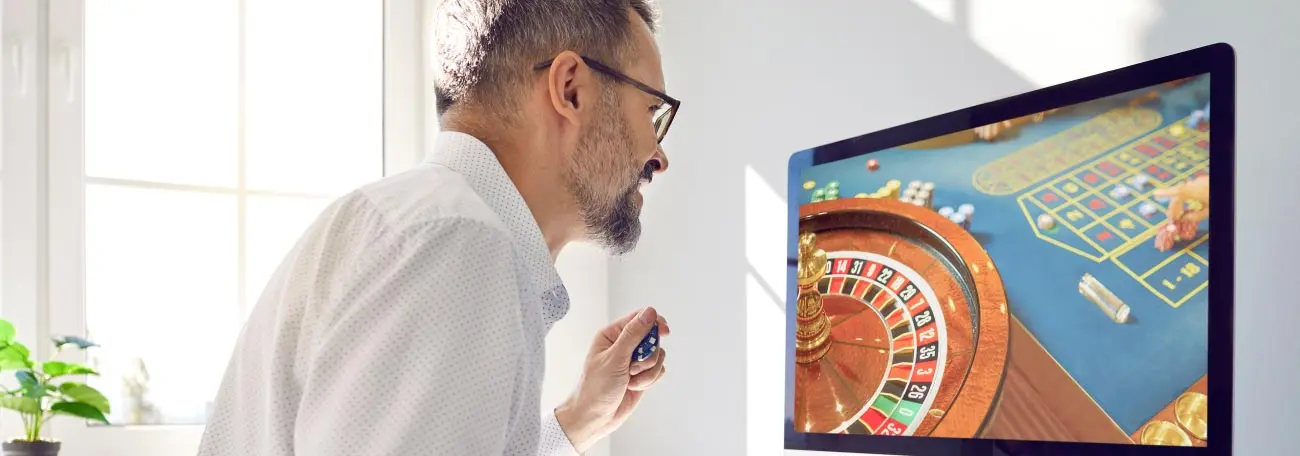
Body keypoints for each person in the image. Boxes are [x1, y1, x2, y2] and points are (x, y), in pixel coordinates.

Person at [196, 1, 675, 454]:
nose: (659, 155)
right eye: (651, 110)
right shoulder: (458, 243)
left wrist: (578, 421)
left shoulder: (427, 226)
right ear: (570, 88)